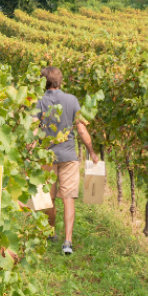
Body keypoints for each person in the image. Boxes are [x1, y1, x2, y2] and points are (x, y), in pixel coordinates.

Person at [35, 66, 99, 256]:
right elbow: (81, 130)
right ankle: (67, 242)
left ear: (43, 82)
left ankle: (51, 233)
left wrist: (30, 148)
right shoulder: (72, 100)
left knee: (49, 197)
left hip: (47, 156)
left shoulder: (40, 102)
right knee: (69, 198)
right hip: (69, 157)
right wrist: (92, 152)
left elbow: (32, 129)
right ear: (60, 81)